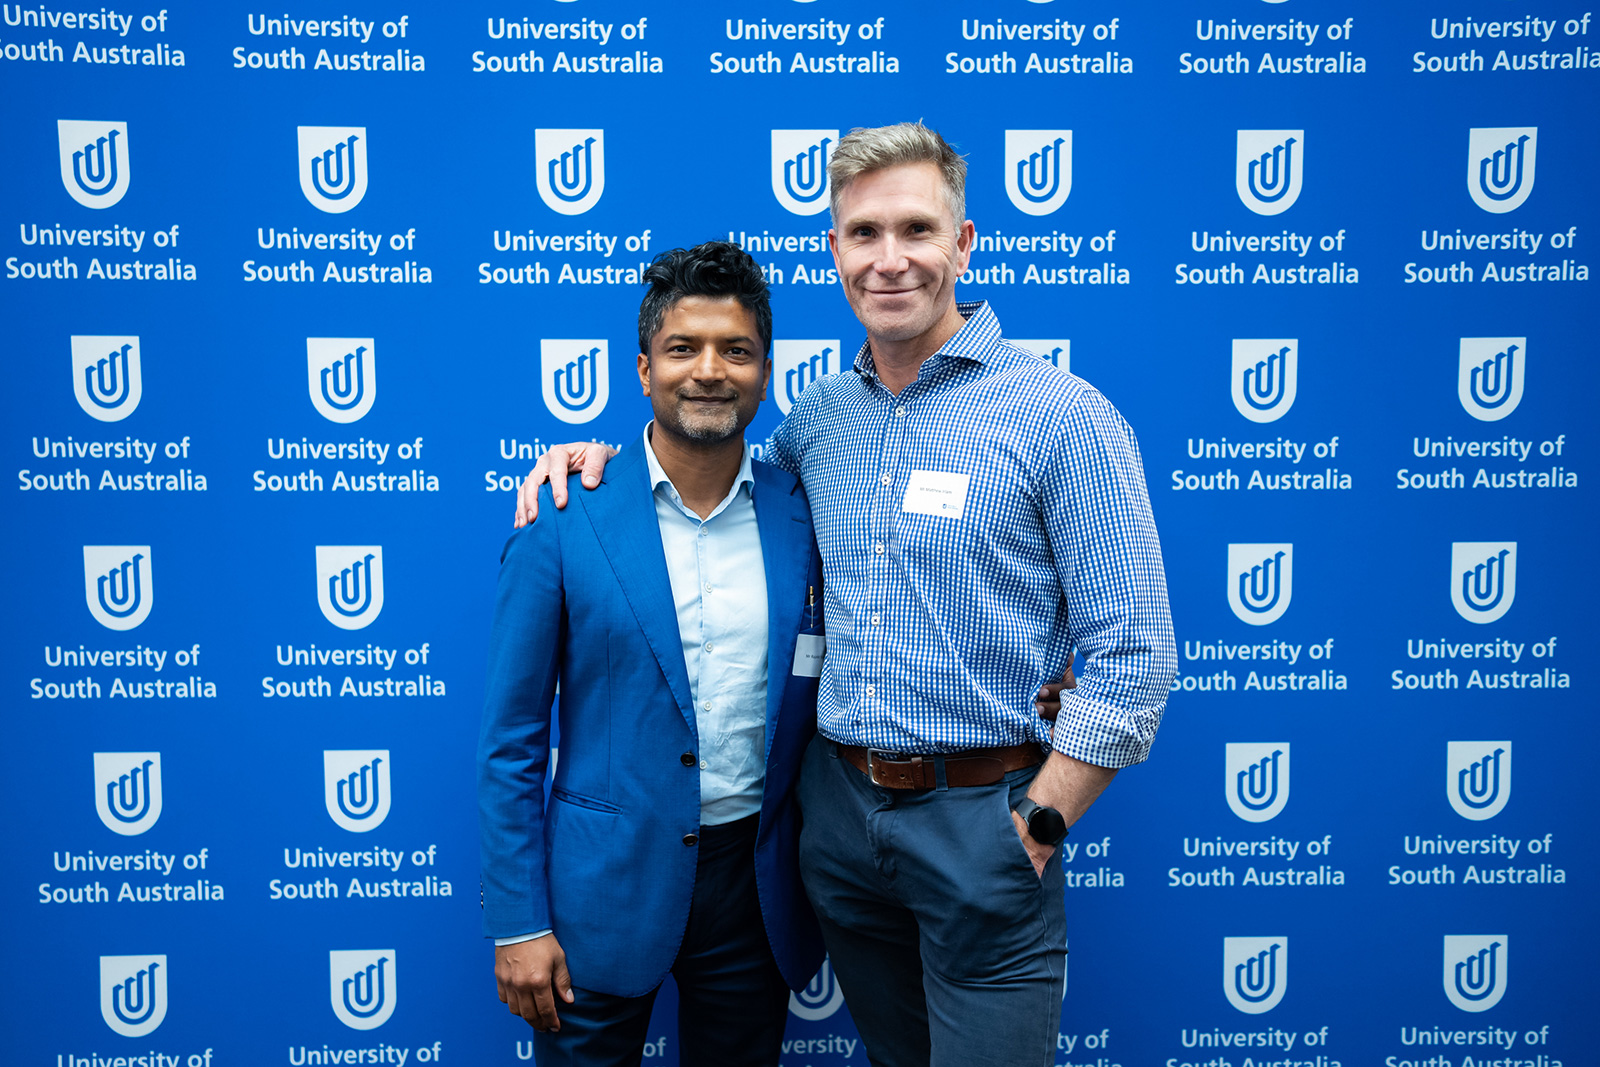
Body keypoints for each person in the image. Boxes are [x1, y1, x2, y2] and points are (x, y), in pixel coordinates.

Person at [514, 123, 1176, 1067]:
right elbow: (711, 480)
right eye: (865, 233)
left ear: (963, 243)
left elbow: (1136, 656)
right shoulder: (819, 421)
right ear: (835, 250)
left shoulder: (1063, 416)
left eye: (917, 229)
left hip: (982, 821)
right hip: (835, 828)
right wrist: (599, 467)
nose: (890, 258)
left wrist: (1040, 821)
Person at [477, 241, 826, 1066]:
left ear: (765, 374)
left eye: (735, 350)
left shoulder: (806, 514)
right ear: (643, 370)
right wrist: (518, 921)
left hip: (756, 890)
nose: (709, 370)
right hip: (599, 889)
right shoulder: (565, 512)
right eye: (682, 348)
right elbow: (512, 738)